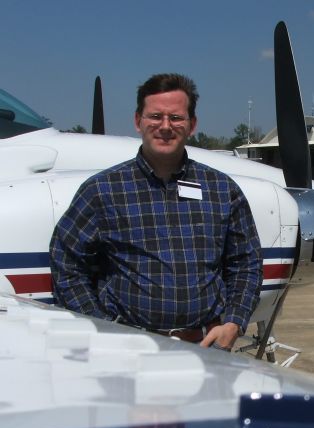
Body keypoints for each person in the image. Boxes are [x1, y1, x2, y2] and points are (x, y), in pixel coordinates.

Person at [49, 73, 263, 351]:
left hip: (206, 348)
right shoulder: (102, 191)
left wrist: (234, 322)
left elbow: (246, 264)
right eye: (155, 116)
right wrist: (101, 328)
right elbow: (66, 264)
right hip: (128, 351)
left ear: (192, 124)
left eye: (176, 118)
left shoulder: (222, 190)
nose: (165, 126)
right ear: (138, 121)